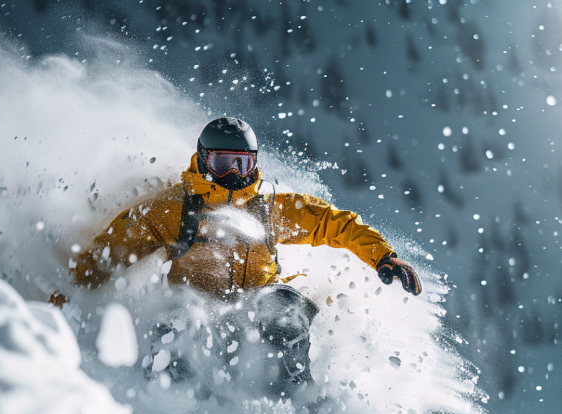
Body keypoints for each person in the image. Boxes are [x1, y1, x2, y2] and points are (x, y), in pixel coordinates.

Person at [54, 117, 420, 389]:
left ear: (254, 163)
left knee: (286, 314)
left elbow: (333, 223)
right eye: (221, 163)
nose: (232, 175)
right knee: (178, 330)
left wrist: (383, 257)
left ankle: (300, 404)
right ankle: (163, 408)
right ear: (202, 160)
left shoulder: (269, 207)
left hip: (259, 299)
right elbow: (113, 248)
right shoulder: (175, 209)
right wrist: (70, 292)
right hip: (193, 303)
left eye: (241, 164)